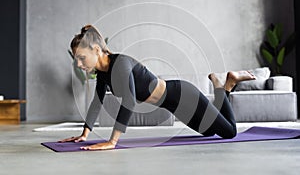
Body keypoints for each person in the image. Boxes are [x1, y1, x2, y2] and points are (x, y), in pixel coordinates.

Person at [59, 24, 256, 150]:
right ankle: (223, 86)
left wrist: (112, 142)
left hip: (184, 95)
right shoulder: (103, 73)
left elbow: (128, 100)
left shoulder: (120, 64)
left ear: (96, 50)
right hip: (174, 105)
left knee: (229, 132)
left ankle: (226, 84)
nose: (78, 64)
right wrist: (85, 134)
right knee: (207, 132)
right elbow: (97, 101)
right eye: (76, 59)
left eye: (81, 58)